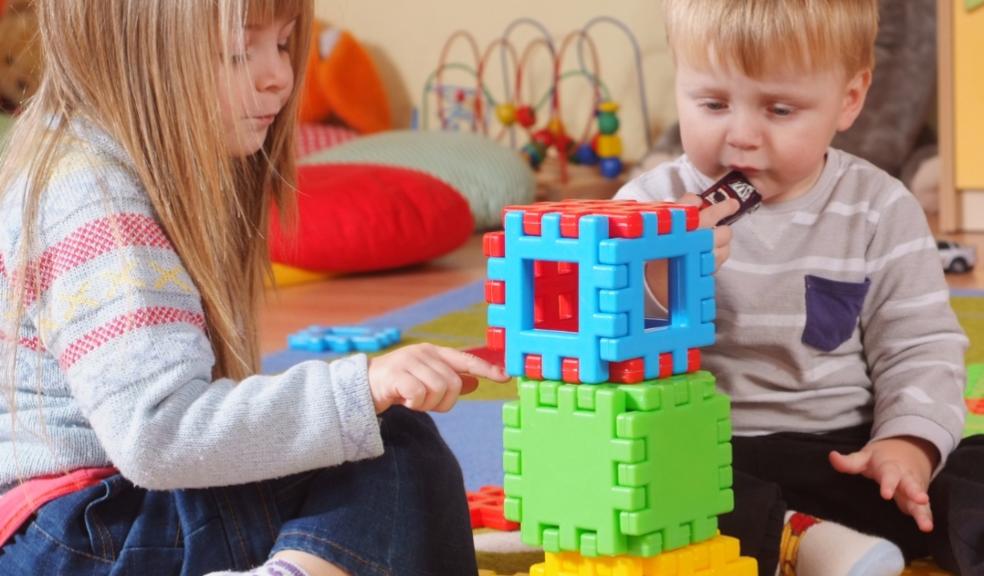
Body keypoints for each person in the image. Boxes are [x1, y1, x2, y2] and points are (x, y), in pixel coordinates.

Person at [0, 1, 508, 575]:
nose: (280, 77)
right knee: (395, 445)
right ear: (128, 54)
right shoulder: (91, 196)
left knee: (361, 450)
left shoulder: (92, 162)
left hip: (71, 533)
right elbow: (157, 430)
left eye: (285, 44)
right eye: (240, 51)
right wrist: (363, 386)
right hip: (83, 536)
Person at [615, 1, 984, 574]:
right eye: (712, 103)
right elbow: (594, 349)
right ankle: (801, 543)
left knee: (961, 470)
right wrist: (654, 277)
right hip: (704, 454)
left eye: (780, 109)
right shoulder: (643, 211)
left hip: (844, 453)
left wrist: (907, 446)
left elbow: (920, 348)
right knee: (627, 474)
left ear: (849, 99)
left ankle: (821, 534)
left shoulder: (879, 208)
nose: (740, 136)